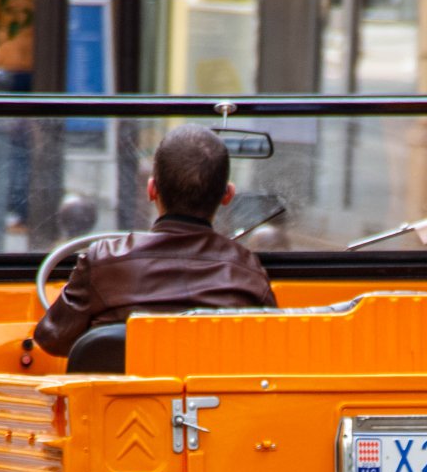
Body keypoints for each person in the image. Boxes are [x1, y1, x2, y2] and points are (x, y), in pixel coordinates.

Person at [32, 125, 275, 358]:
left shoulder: (103, 260)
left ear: (151, 190)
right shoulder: (248, 271)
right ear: (228, 195)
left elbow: (52, 338)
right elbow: (270, 344)